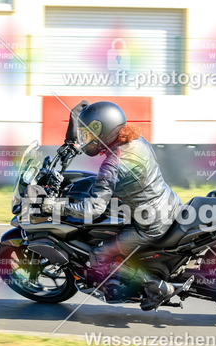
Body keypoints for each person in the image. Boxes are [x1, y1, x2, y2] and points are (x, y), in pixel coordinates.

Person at [43, 100, 182, 310]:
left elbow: (94, 209)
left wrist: (55, 206)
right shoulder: (136, 140)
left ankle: (156, 287)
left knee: (100, 256)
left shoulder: (113, 164)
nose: (87, 139)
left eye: (90, 134)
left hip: (150, 225)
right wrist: (74, 126)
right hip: (168, 203)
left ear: (105, 130)